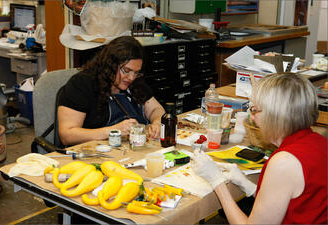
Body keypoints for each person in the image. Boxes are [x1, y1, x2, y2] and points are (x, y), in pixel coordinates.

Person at [191, 73, 327, 224]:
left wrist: (217, 181)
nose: (251, 117)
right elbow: (283, 203)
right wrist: (247, 185)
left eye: (255, 110)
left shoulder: (285, 161)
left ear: (275, 114)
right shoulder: (319, 141)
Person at [57, 36, 165, 146]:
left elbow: (155, 109)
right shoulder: (82, 84)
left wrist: (157, 123)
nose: (131, 77)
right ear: (110, 64)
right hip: (94, 152)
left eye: (136, 72)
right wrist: (112, 131)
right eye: (126, 71)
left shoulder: (135, 83)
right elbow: (67, 135)